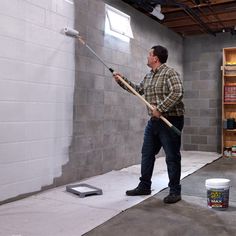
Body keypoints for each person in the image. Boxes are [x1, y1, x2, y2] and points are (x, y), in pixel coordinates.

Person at [113, 45, 184, 204]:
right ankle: (144, 186)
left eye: (149, 54)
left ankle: (175, 191)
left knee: (172, 157)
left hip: (171, 120)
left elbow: (178, 92)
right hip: (154, 122)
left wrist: (161, 108)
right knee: (146, 154)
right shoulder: (149, 76)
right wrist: (121, 80)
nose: (147, 57)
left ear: (155, 58)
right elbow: (137, 89)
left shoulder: (169, 73)